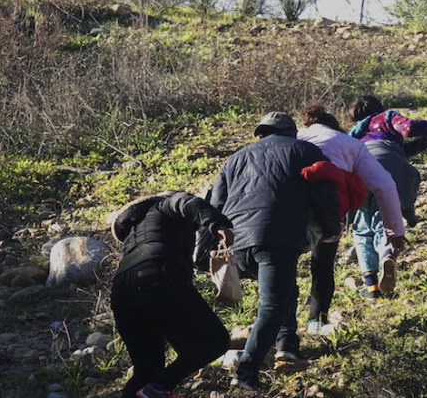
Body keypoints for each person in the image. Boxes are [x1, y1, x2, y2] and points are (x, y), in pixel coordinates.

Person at [210, 112, 341, 392]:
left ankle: (287, 347)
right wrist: (331, 229)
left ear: (262, 133)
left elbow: (215, 202)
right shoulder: (306, 150)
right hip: (276, 237)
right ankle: (246, 371)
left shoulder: (235, 158)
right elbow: (325, 193)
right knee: (272, 304)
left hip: (238, 241)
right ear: (292, 132)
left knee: (283, 291)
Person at [109, 191, 235, 398]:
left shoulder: (134, 237)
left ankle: (151, 389)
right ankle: (155, 391)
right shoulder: (164, 205)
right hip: (159, 277)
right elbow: (187, 203)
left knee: (147, 370)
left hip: (122, 291)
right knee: (214, 341)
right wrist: (217, 224)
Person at [297, 103, 406, 323]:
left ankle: (283, 329)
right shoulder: (349, 143)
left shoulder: (294, 136)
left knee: (283, 264)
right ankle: (316, 320)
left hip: (291, 205)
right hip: (329, 210)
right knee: (323, 265)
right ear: (336, 128)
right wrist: (394, 231)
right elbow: (384, 185)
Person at [347, 95, 427, 295]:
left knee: (362, 229)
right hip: (391, 169)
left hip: (359, 172)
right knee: (383, 219)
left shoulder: (353, 133)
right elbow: (409, 128)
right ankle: (387, 254)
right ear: (380, 107)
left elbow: (404, 149)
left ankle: (371, 287)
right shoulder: (386, 118)